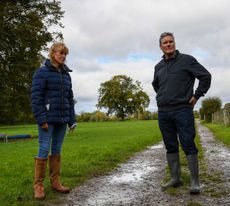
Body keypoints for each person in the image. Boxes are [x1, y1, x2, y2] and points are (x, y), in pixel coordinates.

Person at [152, 32, 211, 194]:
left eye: (171, 41)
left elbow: (205, 76)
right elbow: (156, 85)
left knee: (188, 144)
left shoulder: (187, 60)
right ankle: (176, 178)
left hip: (182, 110)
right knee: (170, 146)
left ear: (174, 43)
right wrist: (164, 96)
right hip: (164, 112)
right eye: (165, 42)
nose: (169, 44)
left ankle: (195, 181)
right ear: (161, 46)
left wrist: (196, 96)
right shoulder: (158, 66)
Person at [31, 42, 77, 199]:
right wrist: (41, 119)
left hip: (62, 120)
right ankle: (38, 186)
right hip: (47, 120)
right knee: (43, 149)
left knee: (56, 151)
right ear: (53, 54)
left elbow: (69, 99)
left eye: (65, 54)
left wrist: (72, 120)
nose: (63, 56)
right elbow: (36, 98)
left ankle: (56, 182)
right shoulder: (42, 72)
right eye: (60, 53)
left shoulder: (66, 75)